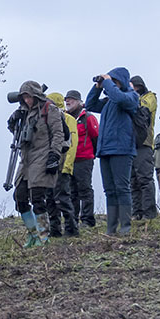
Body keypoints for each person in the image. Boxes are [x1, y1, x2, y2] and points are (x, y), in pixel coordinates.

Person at [8, 80, 67, 247]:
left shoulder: (50, 109)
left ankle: (43, 236)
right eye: (24, 97)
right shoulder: (23, 112)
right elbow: (17, 132)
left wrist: (54, 155)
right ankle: (32, 234)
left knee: (37, 197)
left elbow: (58, 134)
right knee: (19, 196)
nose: (27, 100)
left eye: (29, 97)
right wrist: (13, 121)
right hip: (26, 158)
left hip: (43, 155)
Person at [84, 68, 140, 236]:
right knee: (109, 189)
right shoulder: (109, 102)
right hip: (106, 149)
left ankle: (125, 227)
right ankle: (111, 228)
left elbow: (120, 98)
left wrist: (108, 82)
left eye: (115, 81)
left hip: (122, 148)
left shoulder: (131, 97)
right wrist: (97, 87)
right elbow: (90, 104)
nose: (111, 84)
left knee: (122, 188)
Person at [44, 92, 80, 237]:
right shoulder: (47, 119)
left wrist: (67, 166)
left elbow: (72, 144)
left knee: (63, 197)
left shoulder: (68, 119)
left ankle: (71, 228)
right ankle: (55, 229)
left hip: (62, 165)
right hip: (49, 166)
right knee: (50, 199)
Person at [64, 90, 98, 227]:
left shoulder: (87, 117)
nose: (68, 101)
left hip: (84, 159)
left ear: (79, 101)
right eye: (66, 99)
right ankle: (73, 220)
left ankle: (87, 220)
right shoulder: (65, 118)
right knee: (72, 191)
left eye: (71, 99)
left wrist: (91, 154)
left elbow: (96, 136)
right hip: (69, 160)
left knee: (85, 189)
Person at [129, 75, 159, 220]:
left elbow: (143, 109)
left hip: (144, 143)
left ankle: (149, 213)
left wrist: (130, 97)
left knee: (145, 179)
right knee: (133, 181)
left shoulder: (150, 97)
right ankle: (137, 212)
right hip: (130, 144)